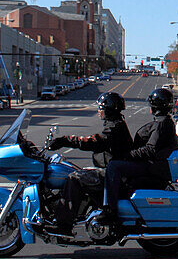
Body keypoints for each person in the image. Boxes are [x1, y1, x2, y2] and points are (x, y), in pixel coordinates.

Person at [47, 92, 133, 235]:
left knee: (74, 178)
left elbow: (95, 141)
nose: (99, 111)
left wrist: (65, 140)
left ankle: (63, 225)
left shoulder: (114, 127)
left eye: (101, 108)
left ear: (109, 109)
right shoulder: (115, 124)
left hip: (112, 174)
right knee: (75, 171)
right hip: (112, 171)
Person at [101, 87, 178, 223]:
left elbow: (150, 150)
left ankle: (110, 210)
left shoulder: (161, 124)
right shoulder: (163, 122)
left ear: (156, 106)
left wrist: (127, 156)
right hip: (152, 165)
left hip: (151, 166)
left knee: (114, 166)